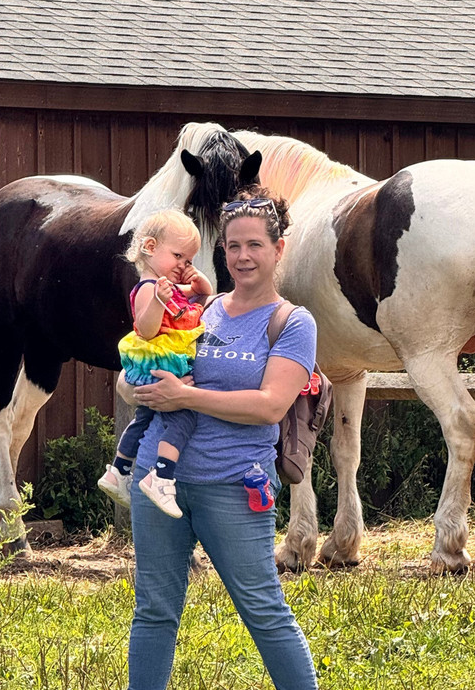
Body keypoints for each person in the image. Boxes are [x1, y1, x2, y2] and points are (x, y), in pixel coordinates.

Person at [125, 187, 319, 690]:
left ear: (278, 249)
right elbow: (143, 366)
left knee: (263, 609)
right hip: (157, 481)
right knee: (153, 611)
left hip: (234, 485)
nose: (242, 256)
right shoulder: (200, 308)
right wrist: (133, 385)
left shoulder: (292, 323)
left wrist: (185, 399)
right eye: (233, 246)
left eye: (254, 245)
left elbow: (270, 406)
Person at [98, 209, 214, 517]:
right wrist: (160, 301)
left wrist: (197, 280)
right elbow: (146, 330)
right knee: (184, 417)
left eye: (189, 260)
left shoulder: (165, 286)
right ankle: (161, 477)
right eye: (178, 256)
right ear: (150, 247)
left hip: (162, 364)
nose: (184, 265)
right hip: (159, 366)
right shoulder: (149, 288)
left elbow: (203, 294)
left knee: (144, 419)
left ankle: (119, 471)